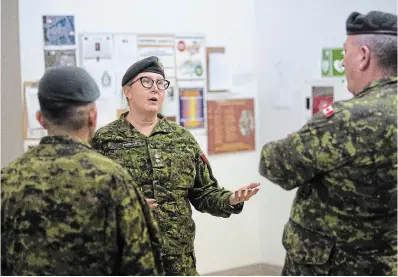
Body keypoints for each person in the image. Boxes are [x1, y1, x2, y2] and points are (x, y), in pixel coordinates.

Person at [90, 56, 260, 276]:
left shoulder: (182, 139)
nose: (156, 89)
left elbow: (203, 192)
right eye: (147, 82)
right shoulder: (105, 141)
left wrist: (231, 199)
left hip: (178, 261)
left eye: (161, 84)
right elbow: (91, 199)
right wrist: (126, 207)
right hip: (126, 260)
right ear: (128, 91)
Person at [259, 10, 397, 276]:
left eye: (345, 52)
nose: (343, 63)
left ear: (364, 56)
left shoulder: (348, 119)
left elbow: (273, 163)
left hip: (334, 266)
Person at [1, 66, 164, 276]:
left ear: (40, 119)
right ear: (92, 117)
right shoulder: (113, 180)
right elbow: (141, 267)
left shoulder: (8, 179)